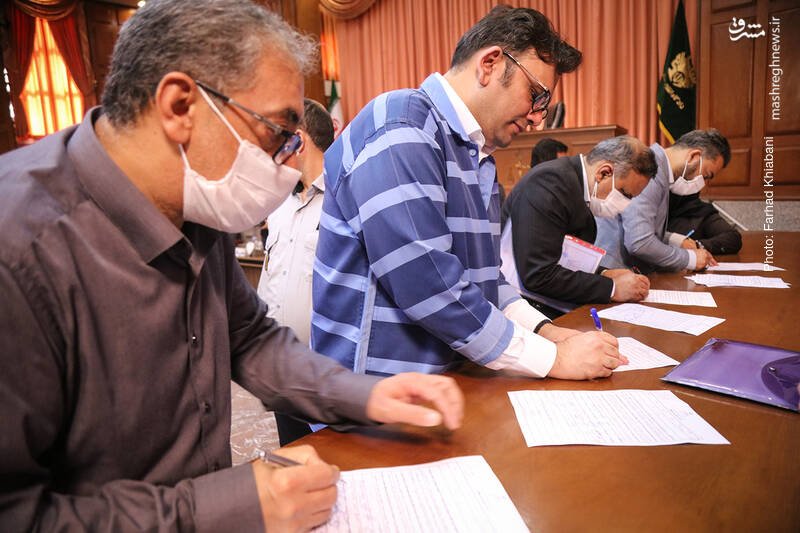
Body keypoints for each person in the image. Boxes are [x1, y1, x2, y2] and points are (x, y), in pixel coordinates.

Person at [0, 1, 464, 531]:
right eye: (276, 134)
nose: (286, 164)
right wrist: (229, 507)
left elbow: (249, 338)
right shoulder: (20, 251)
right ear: (180, 106)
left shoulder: (195, 202)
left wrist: (366, 393)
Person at [312, 5, 627, 383]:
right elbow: (426, 282)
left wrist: (545, 331)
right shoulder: (403, 123)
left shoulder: (478, 158)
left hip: (447, 382)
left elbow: (486, 280)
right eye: (536, 95)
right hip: (373, 393)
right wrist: (553, 359)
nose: (536, 118)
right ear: (490, 64)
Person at [257, 98, 333, 445]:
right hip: (280, 370)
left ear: (298, 141)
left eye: (277, 142)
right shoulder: (279, 204)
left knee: (335, 462)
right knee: (293, 453)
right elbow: (271, 276)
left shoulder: (341, 201)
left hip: (324, 374)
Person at [501, 136, 656, 308]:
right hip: (520, 304)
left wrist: (604, 273)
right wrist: (612, 288)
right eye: (625, 194)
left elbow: (564, 255)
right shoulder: (549, 183)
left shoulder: (572, 182)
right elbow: (538, 274)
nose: (626, 205)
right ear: (604, 173)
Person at [594, 129, 730, 273]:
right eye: (706, 175)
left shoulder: (660, 171)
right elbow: (639, 243)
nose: (703, 184)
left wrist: (674, 240)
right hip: (611, 270)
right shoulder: (650, 169)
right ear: (693, 156)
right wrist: (690, 259)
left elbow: (637, 226)